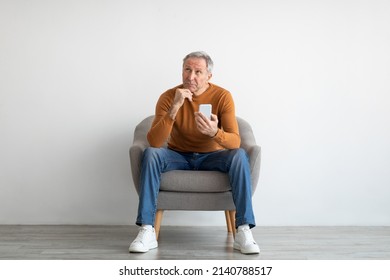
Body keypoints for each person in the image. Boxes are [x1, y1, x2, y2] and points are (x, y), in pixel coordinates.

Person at [129, 51, 260, 254]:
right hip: (177, 155)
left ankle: (243, 229)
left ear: (209, 76)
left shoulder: (222, 96)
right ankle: (147, 230)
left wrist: (215, 132)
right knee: (151, 154)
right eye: (187, 70)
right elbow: (154, 141)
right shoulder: (168, 96)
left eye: (198, 71)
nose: (191, 77)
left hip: (212, 156)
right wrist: (175, 108)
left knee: (239, 156)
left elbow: (235, 141)